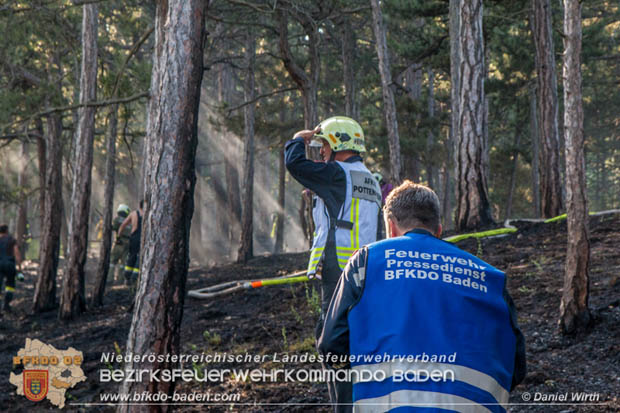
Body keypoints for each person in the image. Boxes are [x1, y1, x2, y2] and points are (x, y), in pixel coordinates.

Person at [318, 181, 526, 412]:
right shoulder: (489, 278)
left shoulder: (366, 262)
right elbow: (517, 365)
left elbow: (331, 344)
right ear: (439, 229)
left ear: (390, 226)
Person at [285, 116, 381, 412]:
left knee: (332, 342)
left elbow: (295, 164)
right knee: (354, 340)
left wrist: (298, 140)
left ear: (339, 142)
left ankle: (343, 407)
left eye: (323, 144)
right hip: (365, 271)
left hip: (338, 273)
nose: (321, 151)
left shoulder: (337, 173)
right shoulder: (369, 178)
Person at [118, 200, 143, 286]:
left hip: (134, 238)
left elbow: (122, 225)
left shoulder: (133, 214)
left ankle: (127, 278)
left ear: (139, 205)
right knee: (140, 258)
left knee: (131, 256)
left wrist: (118, 237)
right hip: (143, 239)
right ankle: (135, 279)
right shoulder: (149, 214)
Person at [0, 224, 23, 315]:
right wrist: (19, 268)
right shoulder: (11, 240)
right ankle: (6, 305)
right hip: (10, 265)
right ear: (6, 231)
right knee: (10, 285)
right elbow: (17, 253)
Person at [110, 204, 132, 283]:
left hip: (119, 243)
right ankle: (120, 280)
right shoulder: (129, 221)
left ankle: (109, 279)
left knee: (113, 261)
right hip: (128, 243)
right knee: (123, 263)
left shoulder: (117, 219)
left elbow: (113, 228)